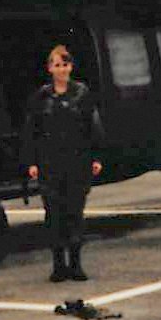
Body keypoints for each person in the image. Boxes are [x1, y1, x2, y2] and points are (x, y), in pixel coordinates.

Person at [19, 44, 105, 283]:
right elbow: (31, 132)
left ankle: (76, 264)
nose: (61, 69)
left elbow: (93, 127)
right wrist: (31, 162)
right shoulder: (40, 97)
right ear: (49, 68)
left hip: (77, 162)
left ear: (71, 67)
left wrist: (96, 157)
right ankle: (58, 265)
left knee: (75, 213)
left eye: (65, 64)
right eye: (57, 65)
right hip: (49, 163)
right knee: (53, 214)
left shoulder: (82, 94)